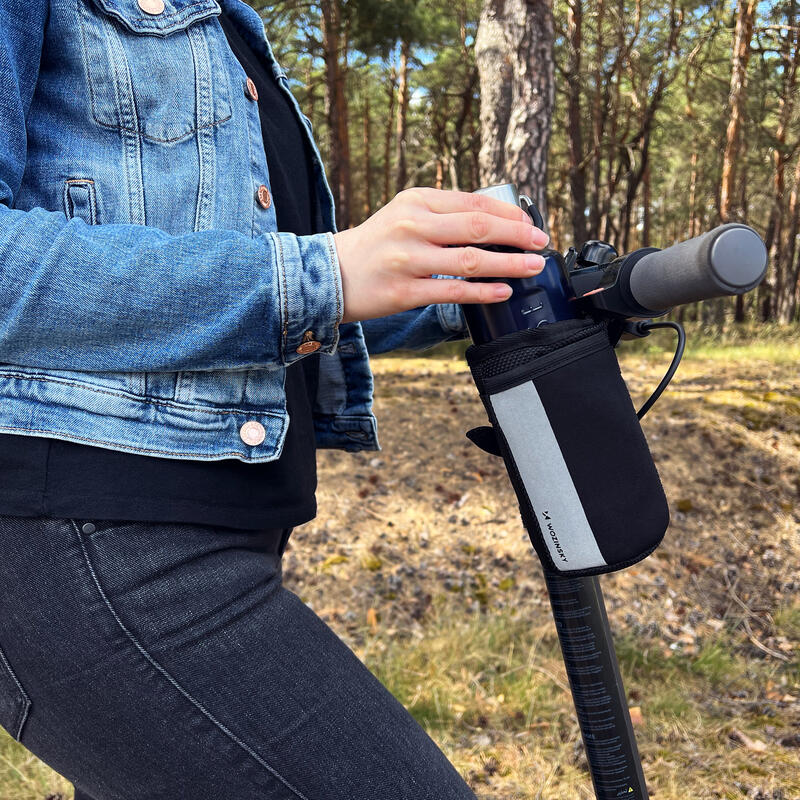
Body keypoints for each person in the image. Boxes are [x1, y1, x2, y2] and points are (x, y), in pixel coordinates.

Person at [0, 0, 549, 797]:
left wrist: (460, 287)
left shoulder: (227, 21)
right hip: (86, 537)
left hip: (211, 529)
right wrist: (326, 271)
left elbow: (259, 307)